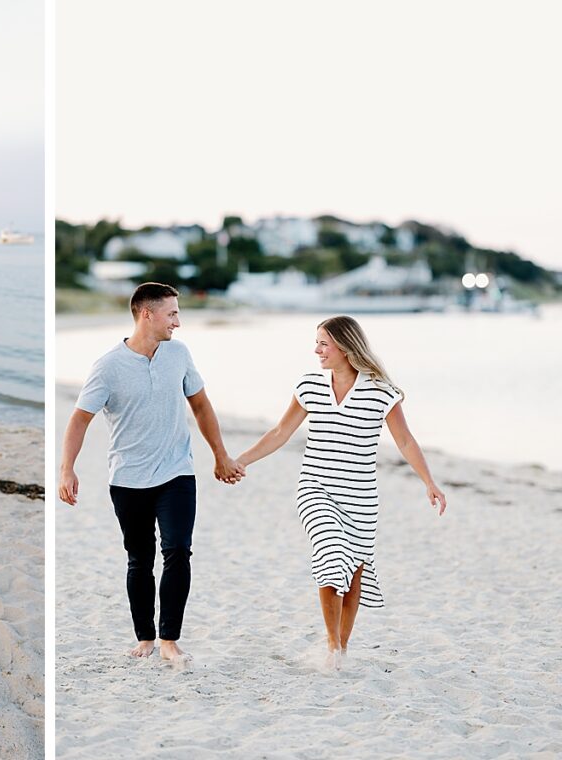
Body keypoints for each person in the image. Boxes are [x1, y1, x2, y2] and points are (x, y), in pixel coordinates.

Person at [233, 315, 447, 669]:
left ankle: (342, 648)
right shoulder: (309, 387)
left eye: (323, 343)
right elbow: (279, 432)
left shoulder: (382, 392)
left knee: (354, 573)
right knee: (331, 558)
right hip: (315, 488)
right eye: (317, 342)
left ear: (346, 347)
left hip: (361, 497)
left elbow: (405, 440)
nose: (316, 349)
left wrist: (429, 481)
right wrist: (241, 460)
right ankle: (332, 646)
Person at [58, 282, 244, 664]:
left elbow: (202, 407)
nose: (178, 321)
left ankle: (170, 640)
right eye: (172, 313)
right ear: (147, 314)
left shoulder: (178, 354)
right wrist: (66, 470)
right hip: (128, 478)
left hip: (177, 472)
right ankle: (145, 637)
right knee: (140, 559)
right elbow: (79, 420)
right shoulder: (108, 366)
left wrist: (220, 456)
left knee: (178, 550)